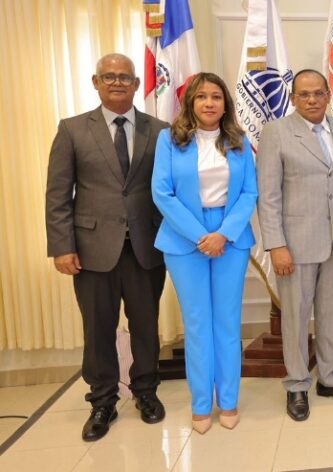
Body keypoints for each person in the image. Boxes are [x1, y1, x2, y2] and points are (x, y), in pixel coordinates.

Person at [45, 53, 168, 442]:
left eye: (125, 77)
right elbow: (58, 194)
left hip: (147, 247)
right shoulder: (72, 130)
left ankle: (146, 392)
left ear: (136, 84)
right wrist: (62, 246)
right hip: (91, 249)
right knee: (98, 328)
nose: (117, 82)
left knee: (146, 324)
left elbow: (168, 189)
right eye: (109, 76)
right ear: (95, 82)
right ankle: (102, 401)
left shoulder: (160, 130)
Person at [256, 69, 333, 422]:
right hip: (296, 243)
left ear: (328, 95)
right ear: (293, 98)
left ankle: (331, 377)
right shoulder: (276, 132)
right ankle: (296, 384)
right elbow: (269, 195)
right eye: (304, 94)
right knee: (295, 316)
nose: (311, 100)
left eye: (318, 93)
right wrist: (276, 244)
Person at [151, 72, 258, 434]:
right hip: (185, 238)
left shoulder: (239, 141)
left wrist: (223, 234)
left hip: (230, 236)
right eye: (201, 97)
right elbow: (162, 193)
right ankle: (200, 404)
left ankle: (228, 400)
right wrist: (201, 236)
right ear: (190, 103)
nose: (209, 103)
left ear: (225, 104)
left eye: (216, 96)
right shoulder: (169, 140)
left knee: (227, 322)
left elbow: (249, 193)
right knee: (197, 324)